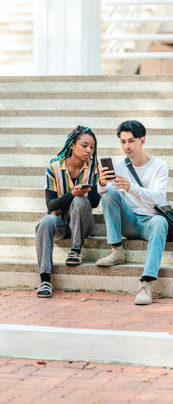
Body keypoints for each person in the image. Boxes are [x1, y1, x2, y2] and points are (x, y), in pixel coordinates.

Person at [96, 120, 168, 305]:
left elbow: (159, 198)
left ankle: (146, 283)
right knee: (109, 193)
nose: (126, 146)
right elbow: (105, 196)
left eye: (131, 141)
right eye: (122, 142)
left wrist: (132, 188)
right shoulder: (119, 166)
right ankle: (116, 249)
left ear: (142, 140)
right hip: (129, 221)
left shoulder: (159, 166)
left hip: (149, 222)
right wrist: (102, 183)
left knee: (161, 222)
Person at [35, 125, 100, 298]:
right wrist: (71, 194)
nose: (89, 150)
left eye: (92, 147)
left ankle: (75, 250)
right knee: (45, 221)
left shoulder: (93, 167)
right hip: (62, 225)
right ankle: (45, 279)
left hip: (84, 224)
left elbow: (93, 202)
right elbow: (50, 205)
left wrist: (100, 187)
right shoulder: (54, 168)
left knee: (81, 200)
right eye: (84, 145)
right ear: (72, 145)